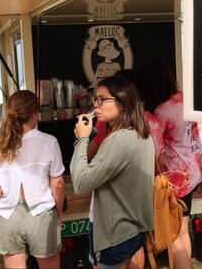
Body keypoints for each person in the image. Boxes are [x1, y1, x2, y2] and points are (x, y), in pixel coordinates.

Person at [70, 75, 155, 269]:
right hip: (133, 229)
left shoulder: (118, 140)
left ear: (123, 103)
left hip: (115, 233)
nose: (96, 105)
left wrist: (81, 140)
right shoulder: (141, 134)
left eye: (102, 99)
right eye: (95, 99)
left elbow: (81, 183)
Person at [0, 90, 65, 269]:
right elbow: (58, 184)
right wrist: (59, 214)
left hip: (8, 216)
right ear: (33, 114)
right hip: (41, 213)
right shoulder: (48, 141)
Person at [138, 61, 202, 269]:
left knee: (173, 235)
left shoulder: (161, 111)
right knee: (183, 229)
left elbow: (159, 157)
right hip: (192, 172)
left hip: (175, 178)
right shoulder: (184, 98)